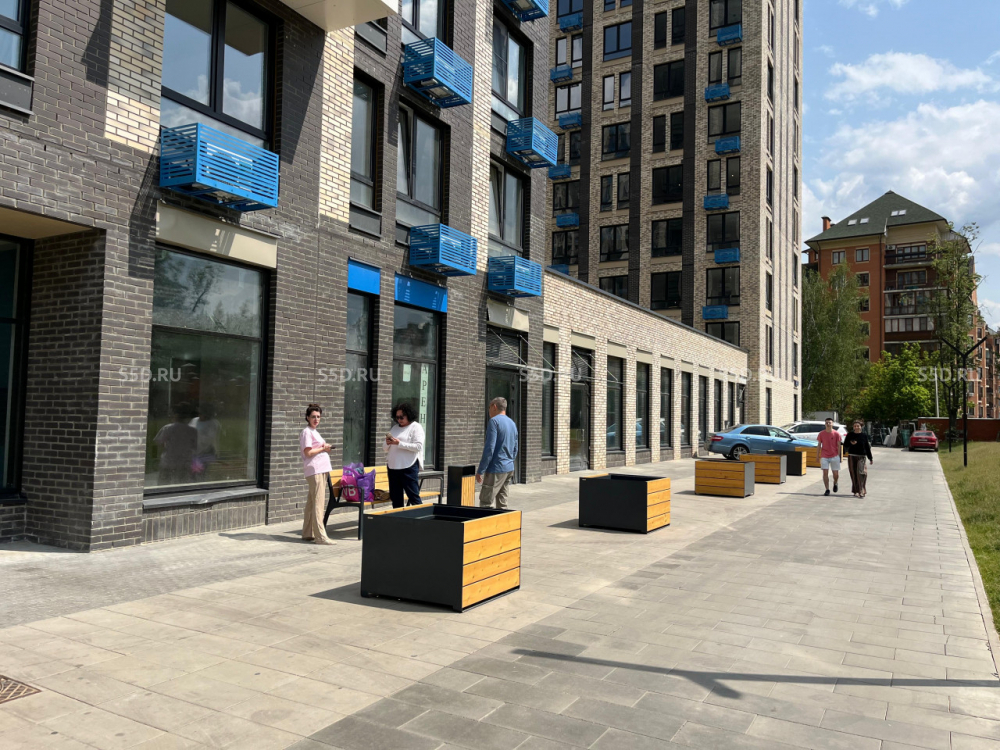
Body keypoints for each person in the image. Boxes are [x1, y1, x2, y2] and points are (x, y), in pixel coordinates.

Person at [300, 404, 334, 545]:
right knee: (318, 503)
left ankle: (308, 533)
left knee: (312, 502)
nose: (316, 419)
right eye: (313, 416)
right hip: (315, 470)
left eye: (318, 417)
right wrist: (322, 449)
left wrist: (325, 448)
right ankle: (320, 537)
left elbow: (317, 448)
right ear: (307, 417)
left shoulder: (314, 432)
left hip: (320, 469)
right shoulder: (307, 432)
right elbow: (308, 452)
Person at [477, 397, 519, 509]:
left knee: (485, 503)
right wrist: (509, 461)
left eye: (489, 407)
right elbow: (515, 448)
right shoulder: (512, 423)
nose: (489, 411)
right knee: (502, 504)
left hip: (496, 468)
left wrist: (481, 470)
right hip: (509, 468)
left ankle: (486, 521)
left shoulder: (494, 421)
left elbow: (489, 448)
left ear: (494, 407)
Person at [384, 402, 424, 508]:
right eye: (397, 417)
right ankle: (398, 518)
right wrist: (387, 443)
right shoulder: (394, 428)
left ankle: (421, 517)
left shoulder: (416, 427)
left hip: (408, 467)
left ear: (409, 415)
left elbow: (418, 446)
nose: (399, 420)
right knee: (396, 498)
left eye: (402, 417)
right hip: (393, 467)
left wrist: (399, 443)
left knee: (413, 497)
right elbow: (384, 448)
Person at [154, 403, 197, 486]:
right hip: (185, 462)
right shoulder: (192, 430)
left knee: (164, 484)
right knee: (182, 484)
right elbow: (195, 446)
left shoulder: (167, 428)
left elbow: (159, 442)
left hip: (168, 461)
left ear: (175, 415)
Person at [844, 420, 874, 498]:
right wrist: (851, 443)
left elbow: (867, 447)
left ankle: (862, 490)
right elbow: (845, 444)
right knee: (853, 474)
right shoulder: (850, 435)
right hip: (852, 456)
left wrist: (870, 458)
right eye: (855, 426)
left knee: (861, 473)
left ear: (861, 427)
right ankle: (856, 491)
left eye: (858, 426)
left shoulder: (864, 436)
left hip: (861, 456)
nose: (856, 427)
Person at [816, 417, 843, 497]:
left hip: (834, 455)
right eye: (826, 423)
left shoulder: (836, 434)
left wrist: (839, 456)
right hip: (824, 455)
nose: (828, 424)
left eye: (829, 422)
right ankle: (827, 489)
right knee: (825, 472)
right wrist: (817, 456)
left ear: (832, 424)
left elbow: (839, 445)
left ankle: (835, 482)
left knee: (836, 474)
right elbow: (819, 445)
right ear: (825, 424)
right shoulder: (821, 433)